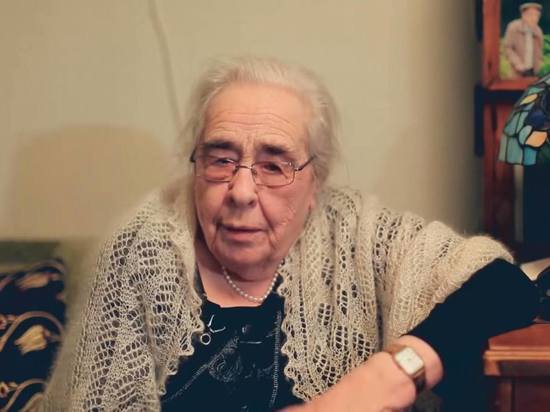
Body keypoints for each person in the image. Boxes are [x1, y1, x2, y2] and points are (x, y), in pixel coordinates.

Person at [41, 57, 538, 411]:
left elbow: (501, 284)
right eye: (220, 159)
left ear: (314, 183)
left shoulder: (359, 233)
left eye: (274, 165)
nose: (240, 191)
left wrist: (380, 379)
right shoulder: (140, 247)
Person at [503, 2, 544, 78]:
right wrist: (517, 64)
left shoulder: (538, 31)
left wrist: (539, 64)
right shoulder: (513, 27)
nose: (534, 18)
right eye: (531, 15)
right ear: (523, 15)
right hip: (517, 71)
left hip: (532, 72)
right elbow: (507, 47)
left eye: (536, 15)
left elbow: (540, 50)